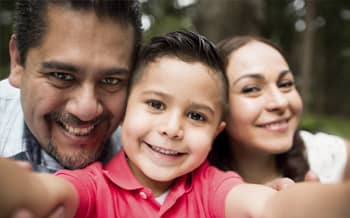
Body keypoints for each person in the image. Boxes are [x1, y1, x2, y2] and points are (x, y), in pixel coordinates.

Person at [1, 30, 350, 218]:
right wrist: (23, 192)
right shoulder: (94, 187)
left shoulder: (213, 188)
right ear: (123, 109)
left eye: (196, 115)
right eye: (155, 104)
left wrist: (311, 204)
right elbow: (48, 195)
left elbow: (268, 207)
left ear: (217, 132)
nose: (172, 128)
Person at [0, 0, 142, 172]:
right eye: (62, 76)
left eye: (110, 80)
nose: (86, 111)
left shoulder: (156, 154)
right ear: (18, 62)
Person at [208, 35, 349, 184]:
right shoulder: (192, 183)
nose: (280, 102)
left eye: (285, 84)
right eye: (252, 89)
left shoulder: (327, 155)